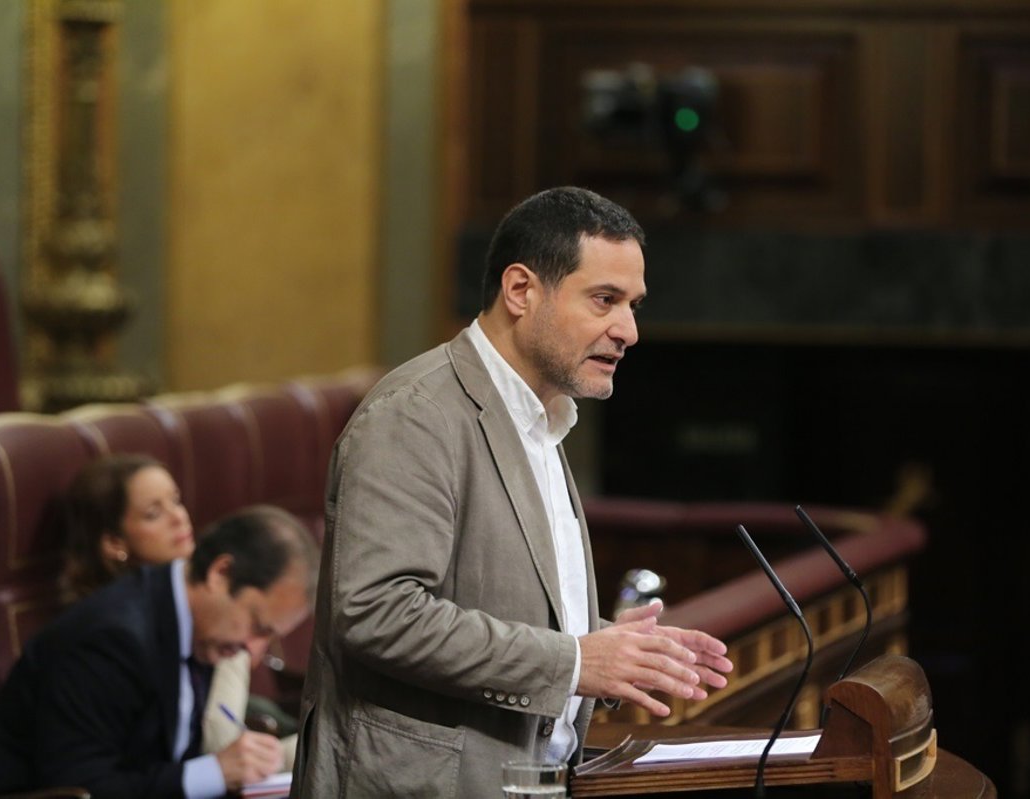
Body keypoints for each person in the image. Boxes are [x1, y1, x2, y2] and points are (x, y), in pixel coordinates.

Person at [292, 186, 734, 797]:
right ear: (521, 290)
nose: (629, 331)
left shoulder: (542, 418)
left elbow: (489, 596)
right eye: (604, 300)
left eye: (633, 305)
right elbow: (377, 612)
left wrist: (609, 644)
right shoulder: (416, 415)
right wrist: (576, 661)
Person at [0, 505, 318, 798]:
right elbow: (81, 787)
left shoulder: (202, 628)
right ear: (220, 573)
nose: (253, 648)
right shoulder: (112, 639)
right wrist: (213, 772)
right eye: (258, 626)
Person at [58, 454, 300, 768]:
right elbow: (216, 744)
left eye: (176, 500)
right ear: (115, 543)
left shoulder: (204, 599)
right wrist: (238, 645)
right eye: (154, 513)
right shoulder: (113, 634)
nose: (178, 517)